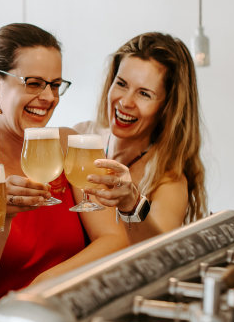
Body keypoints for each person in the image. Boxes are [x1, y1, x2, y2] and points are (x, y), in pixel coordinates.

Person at [0, 22, 129, 322]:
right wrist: (3, 214)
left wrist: (44, 285)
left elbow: (114, 240)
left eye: (54, 85)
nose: (49, 97)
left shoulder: (68, 145)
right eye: (34, 83)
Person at [74, 32, 208, 243]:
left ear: (166, 108)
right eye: (121, 84)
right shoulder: (80, 137)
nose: (126, 102)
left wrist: (132, 206)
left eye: (144, 93)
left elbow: (157, 256)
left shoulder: (167, 179)